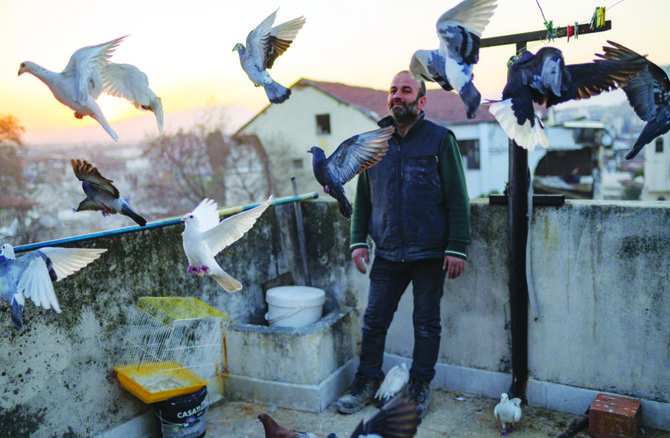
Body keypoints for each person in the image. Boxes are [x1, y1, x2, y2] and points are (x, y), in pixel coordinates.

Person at [335, 71, 470, 418]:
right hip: (388, 253)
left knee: (426, 323)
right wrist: (357, 241)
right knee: (374, 321)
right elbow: (364, 198)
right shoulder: (374, 142)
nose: (397, 96)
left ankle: (420, 387)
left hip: (430, 253)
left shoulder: (441, 140)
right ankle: (366, 381)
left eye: (406, 91)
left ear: (421, 101)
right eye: (393, 90)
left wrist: (456, 246)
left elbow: (458, 197)